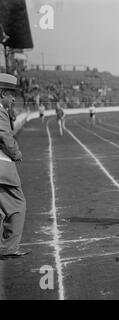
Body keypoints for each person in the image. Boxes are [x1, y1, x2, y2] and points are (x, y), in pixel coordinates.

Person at [0, 73, 31, 258]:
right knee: (18, 205)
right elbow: (5, 137)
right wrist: (16, 153)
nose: (13, 98)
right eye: (11, 94)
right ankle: (9, 248)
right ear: (2, 92)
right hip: (3, 166)